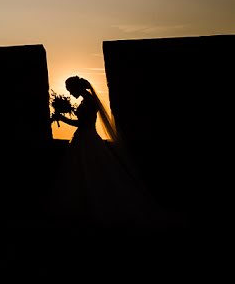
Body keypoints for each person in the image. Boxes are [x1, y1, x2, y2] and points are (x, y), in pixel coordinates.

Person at [48, 75, 168, 232]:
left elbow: (82, 123)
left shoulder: (90, 102)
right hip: (84, 138)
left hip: (87, 139)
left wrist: (61, 118)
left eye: (71, 90)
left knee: (91, 172)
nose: (70, 94)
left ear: (77, 88)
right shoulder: (87, 101)